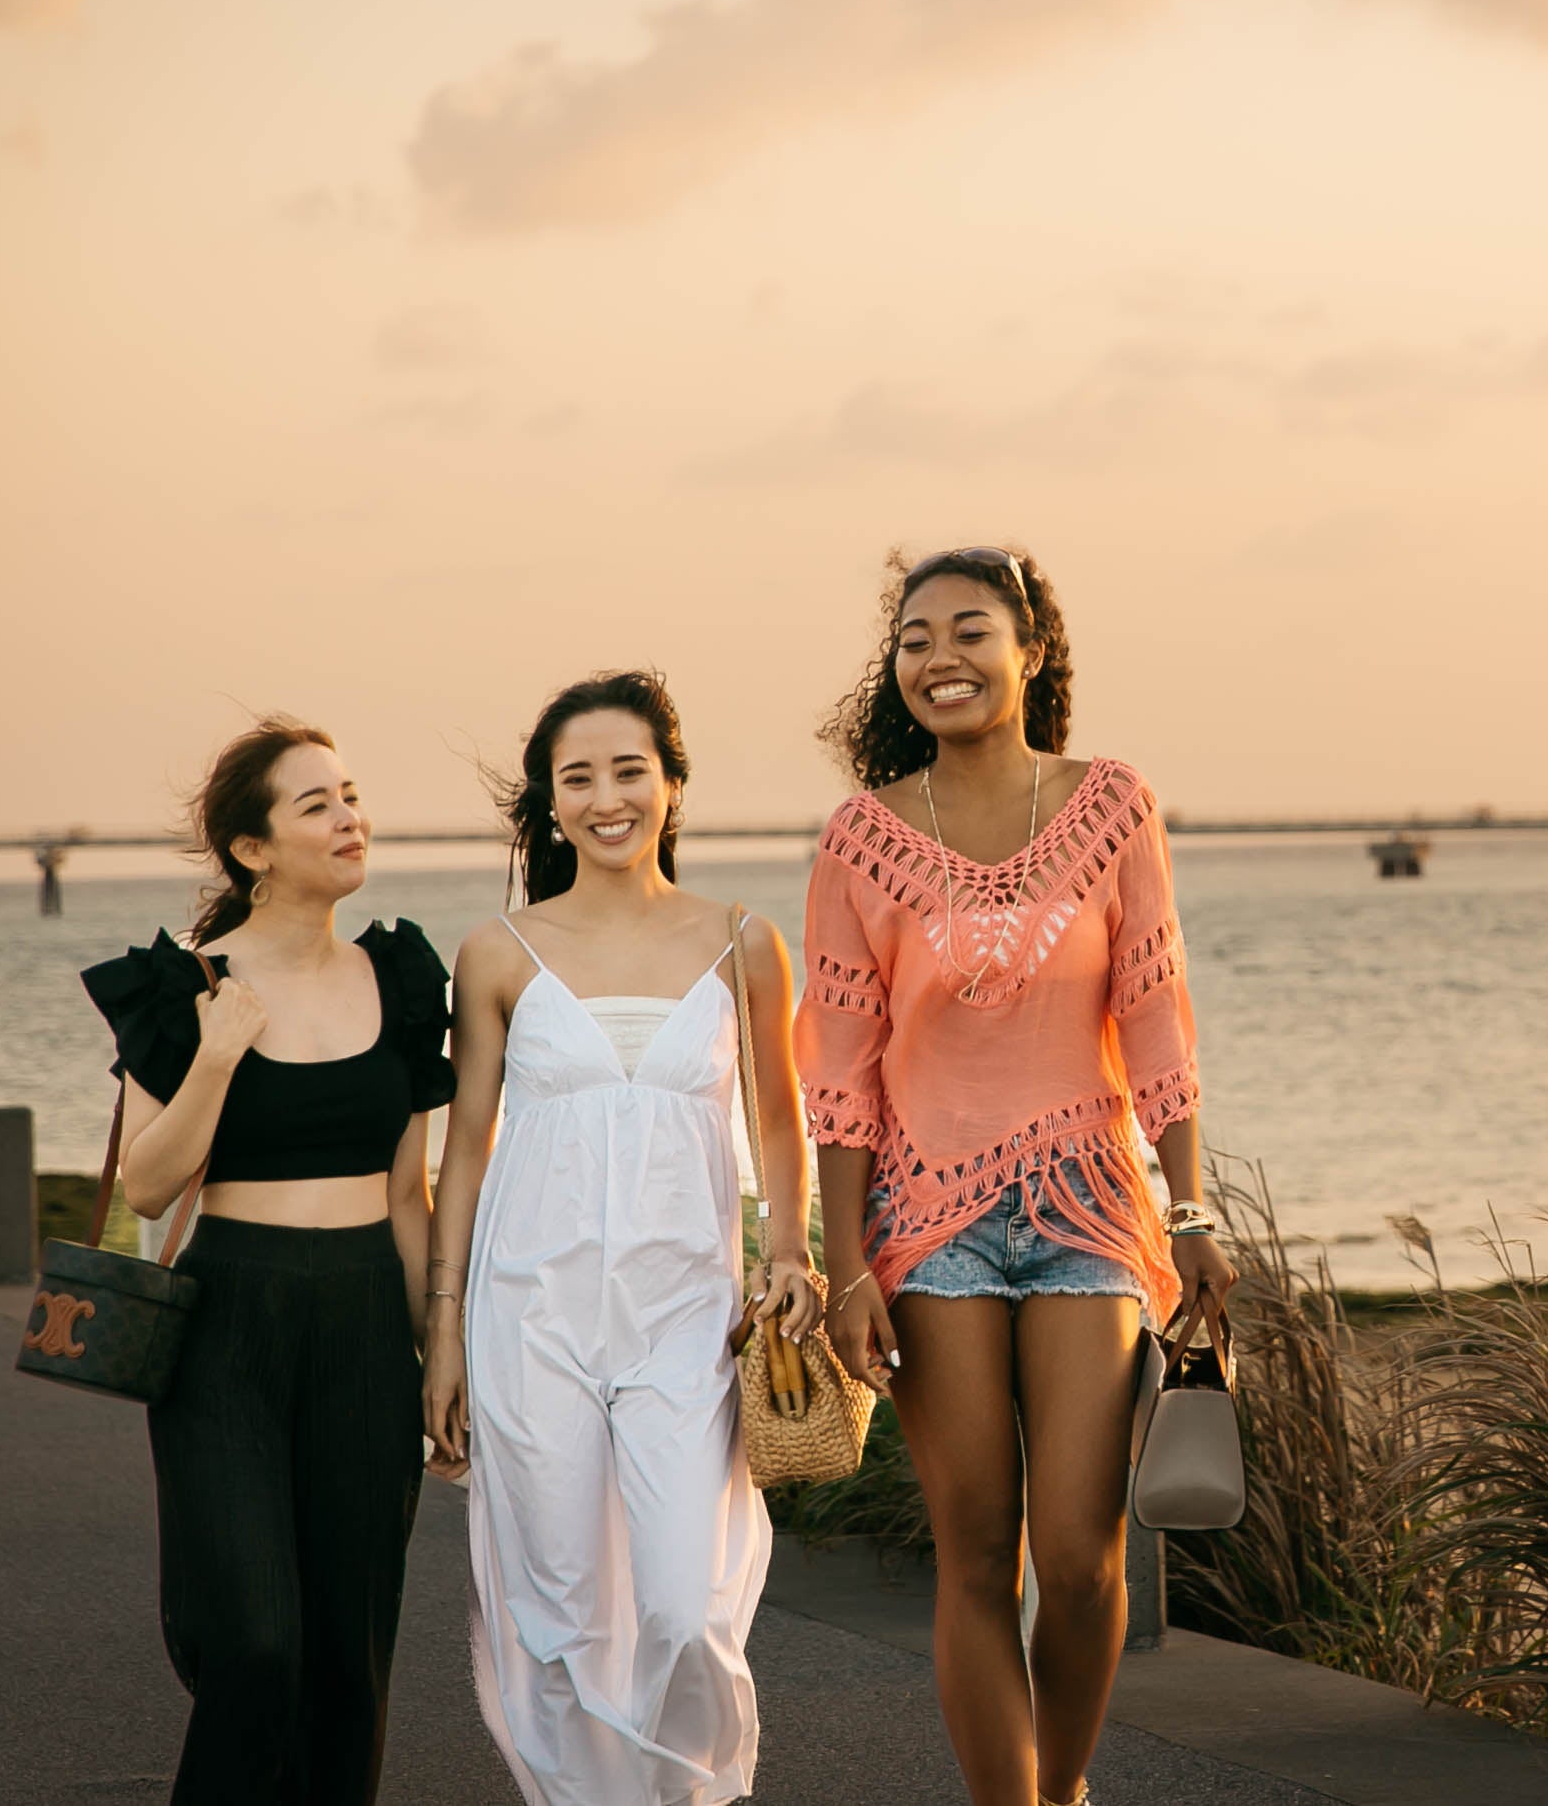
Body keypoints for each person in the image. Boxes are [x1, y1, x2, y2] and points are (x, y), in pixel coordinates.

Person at [801, 546, 1235, 1806]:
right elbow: (838, 1072)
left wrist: (1190, 1206)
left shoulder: (1110, 805)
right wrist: (844, 1271)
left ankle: (1063, 1785)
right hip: (927, 1228)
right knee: (977, 1550)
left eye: (970, 630)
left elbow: (1156, 1014)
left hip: (1088, 1211)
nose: (941, 657)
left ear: (1029, 650)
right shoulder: (863, 840)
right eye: (915, 638)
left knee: (1082, 1555)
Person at [423, 670, 815, 1806]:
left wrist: (788, 1253)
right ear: (549, 805)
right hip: (527, 1314)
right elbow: (464, 1155)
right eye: (577, 777)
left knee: (684, 1608)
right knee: (555, 1614)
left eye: (629, 771)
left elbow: (778, 1126)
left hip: (687, 1318)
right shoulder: (496, 951)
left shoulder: (744, 940)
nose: (607, 797)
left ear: (673, 784)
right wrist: (442, 1333)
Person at [78, 719, 449, 1805]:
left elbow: (409, 1189)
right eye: (317, 804)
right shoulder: (184, 985)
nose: (350, 818)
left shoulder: (401, 973)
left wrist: (439, 1348)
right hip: (228, 1319)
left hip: (369, 1322)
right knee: (253, 1645)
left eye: (351, 795)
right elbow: (148, 1185)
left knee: (347, 1661)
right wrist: (217, 1053)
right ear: (251, 849)